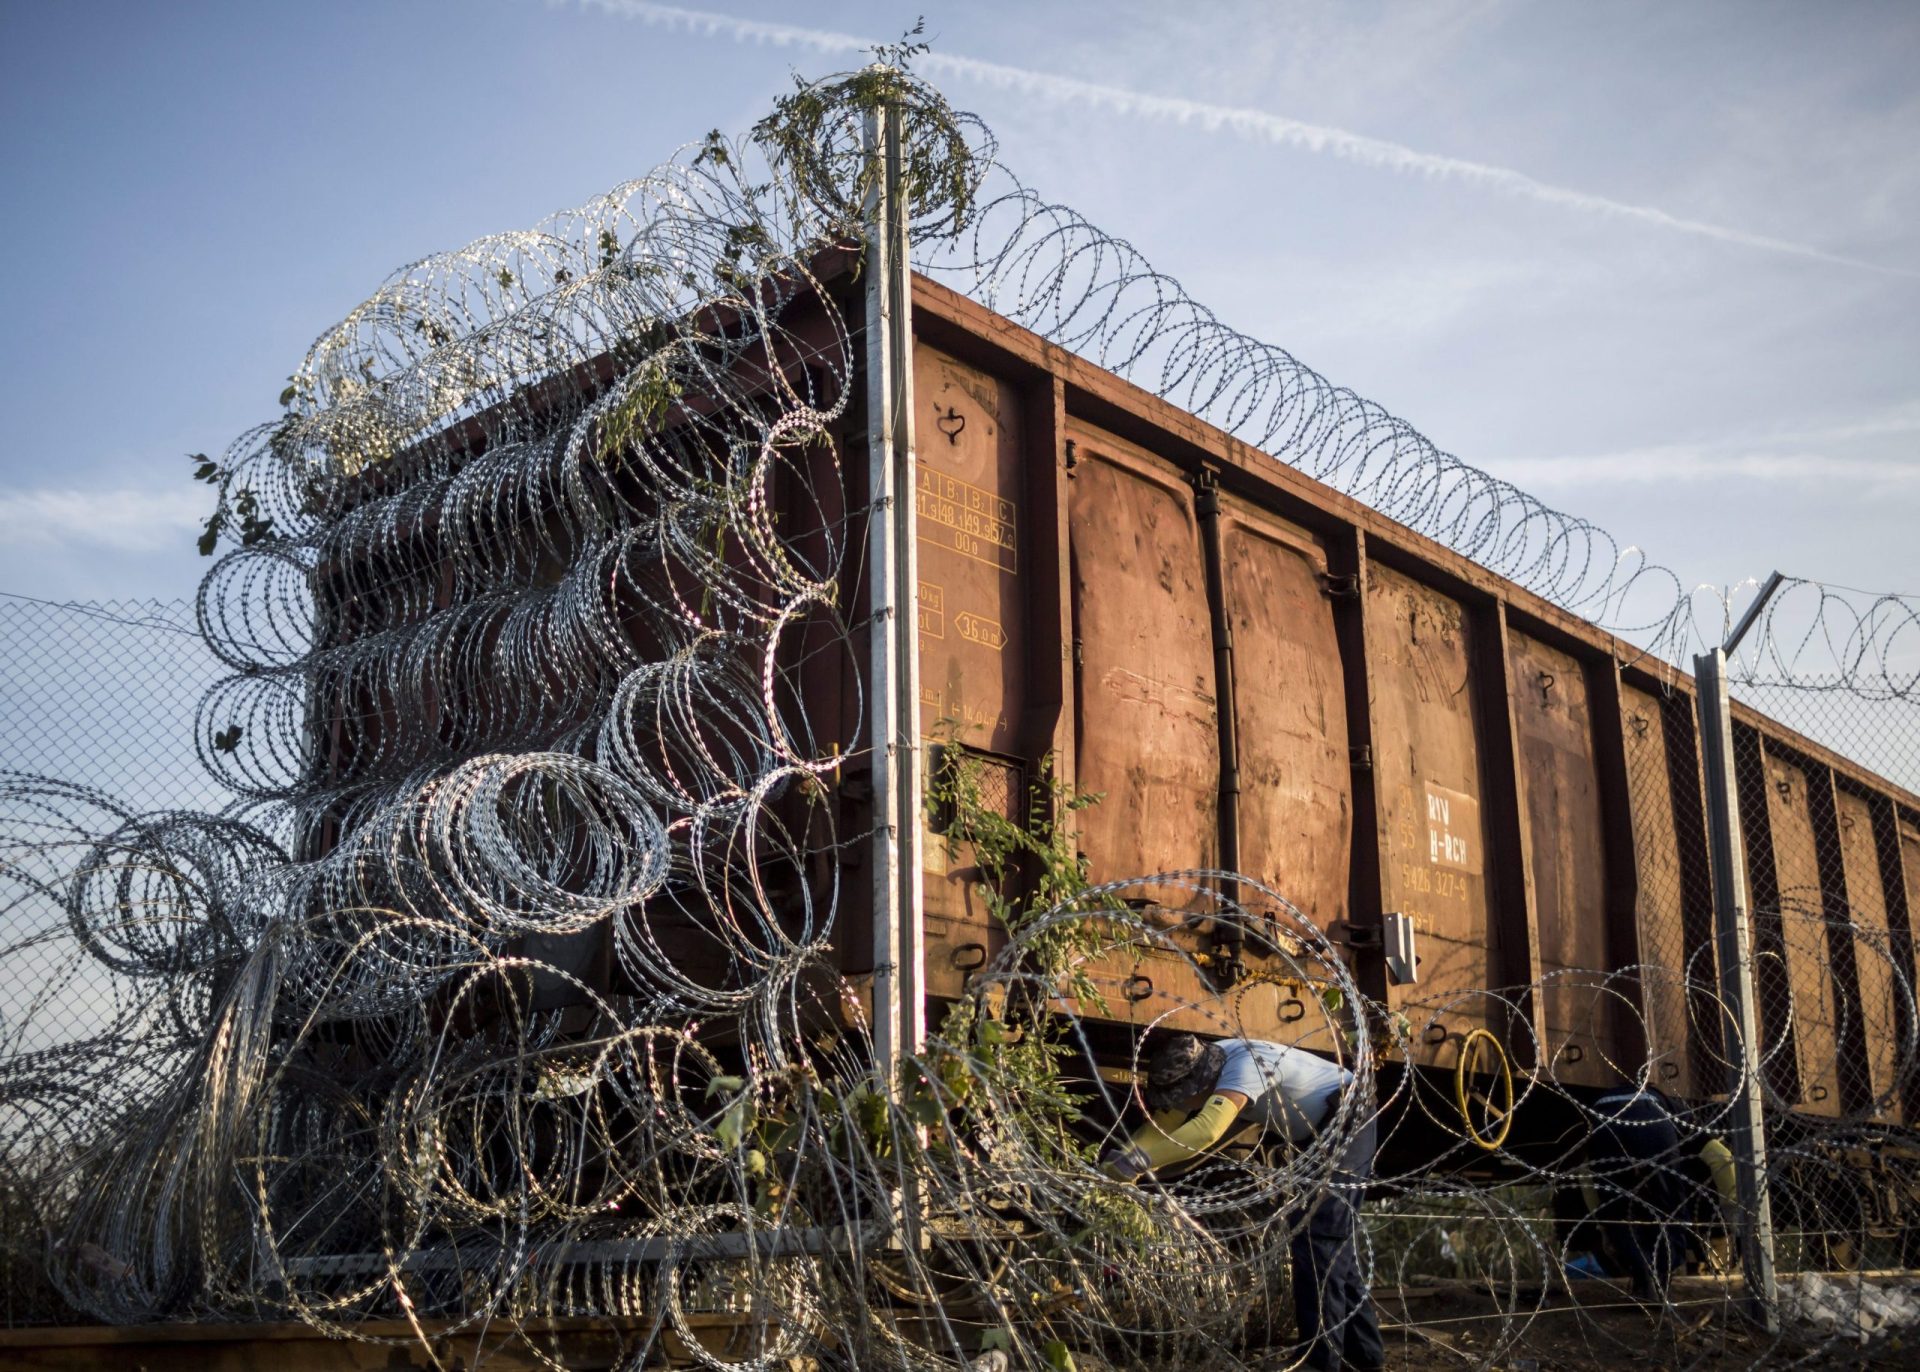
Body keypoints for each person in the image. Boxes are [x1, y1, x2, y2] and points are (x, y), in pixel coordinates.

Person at [1101, 1032, 1383, 1372]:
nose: (1182, 1105)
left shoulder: (1245, 1066)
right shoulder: (1206, 1061)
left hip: (1346, 1114)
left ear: (1198, 1084)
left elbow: (1207, 1129)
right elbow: (1163, 1125)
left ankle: (1320, 1362)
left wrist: (1137, 1164)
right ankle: (1365, 1356)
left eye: (1184, 1098)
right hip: (1322, 1126)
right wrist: (1123, 1160)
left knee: (1317, 1237)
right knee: (1332, 1243)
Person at [1585, 1084, 1739, 1298]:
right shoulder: (1686, 1121)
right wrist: (1732, 1207)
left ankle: (1643, 1277)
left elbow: (1588, 1178)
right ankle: (1661, 1276)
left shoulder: (1669, 1107)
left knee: (1615, 1210)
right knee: (1671, 1206)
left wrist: (1602, 1222)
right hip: (1652, 1115)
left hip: (1603, 1118)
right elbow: (1721, 1157)